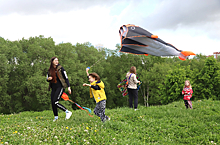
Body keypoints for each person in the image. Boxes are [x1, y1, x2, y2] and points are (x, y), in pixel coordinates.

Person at [46, 57, 72, 122]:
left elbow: (66, 78)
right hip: (53, 87)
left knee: (55, 102)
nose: (57, 61)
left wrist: (69, 87)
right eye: (55, 60)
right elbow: (47, 78)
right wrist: (48, 79)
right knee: (52, 102)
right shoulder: (49, 70)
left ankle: (67, 112)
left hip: (60, 87)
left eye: (57, 60)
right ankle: (56, 117)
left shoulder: (61, 68)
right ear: (52, 62)